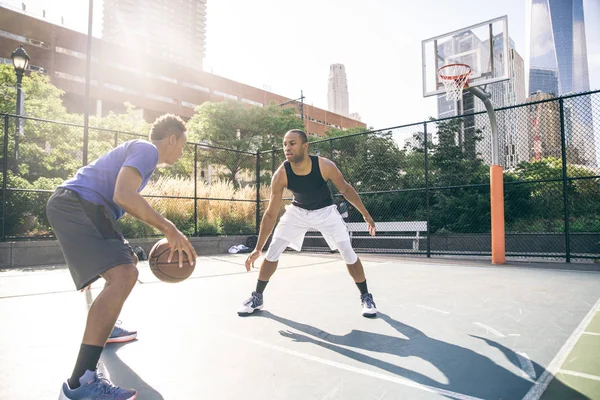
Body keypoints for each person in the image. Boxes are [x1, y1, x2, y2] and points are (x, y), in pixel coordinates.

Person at [47, 114, 198, 400]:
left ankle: (108, 326)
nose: (181, 152)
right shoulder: (147, 150)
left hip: (83, 205)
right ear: (172, 138)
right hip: (80, 204)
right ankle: (81, 383)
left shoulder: (143, 155)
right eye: (182, 145)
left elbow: (121, 198)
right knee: (124, 274)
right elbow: (124, 195)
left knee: (125, 264)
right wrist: (170, 228)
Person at [238, 129, 377, 318]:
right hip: (298, 212)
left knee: (347, 251)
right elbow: (271, 214)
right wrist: (257, 248)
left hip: (326, 212)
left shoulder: (325, 166)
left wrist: (366, 215)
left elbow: (345, 189)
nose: (287, 148)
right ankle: (257, 297)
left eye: (292, 143)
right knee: (273, 250)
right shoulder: (281, 175)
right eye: (285, 144)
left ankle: (366, 297)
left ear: (305, 146)